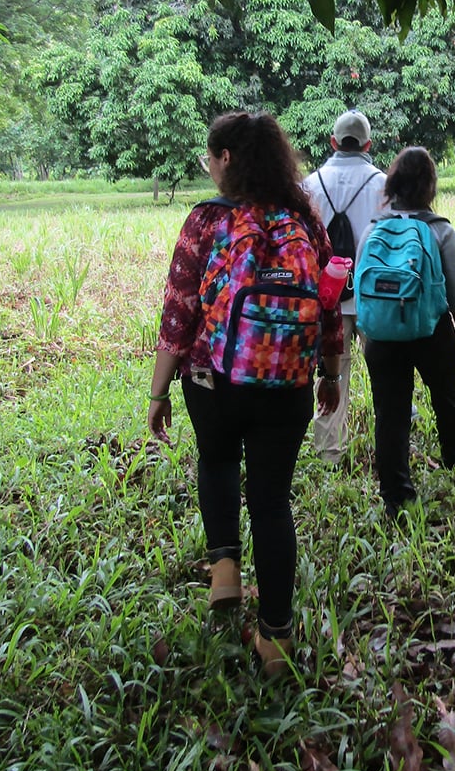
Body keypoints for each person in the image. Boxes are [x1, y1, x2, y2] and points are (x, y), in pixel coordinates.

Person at [147, 111, 343, 677]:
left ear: (227, 158)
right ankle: (276, 641)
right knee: (271, 499)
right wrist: (330, 374)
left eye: (211, 157)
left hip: (212, 379)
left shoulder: (206, 221)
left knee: (216, 461)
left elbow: (179, 309)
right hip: (287, 383)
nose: (209, 167)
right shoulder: (304, 220)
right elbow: (328, 302)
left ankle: (225, 570)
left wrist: (158, 393)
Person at [358, 146, 455, 516]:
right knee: (447, 396)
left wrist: (367, 335)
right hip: (431, 331)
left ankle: (396, 494)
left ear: (393, 183)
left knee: (390, 414)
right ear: (430, 186)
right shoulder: (439, 229)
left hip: (382, 335)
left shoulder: (374, 228)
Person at [303, 109, 387, 464]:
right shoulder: (383, 182)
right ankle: (392, 440)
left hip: (327, 299)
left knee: (331, 375)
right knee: (386, 374)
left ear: (333, 142)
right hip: (372, 296)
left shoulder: (308, 185)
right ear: (368, 144)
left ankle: (329, 453)